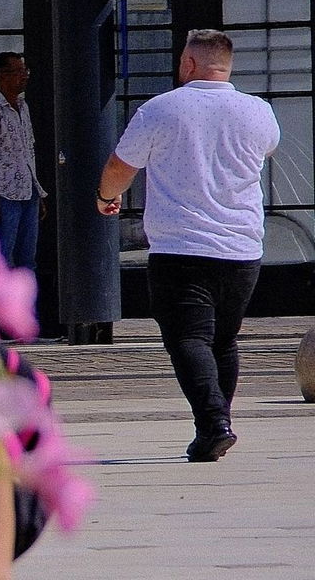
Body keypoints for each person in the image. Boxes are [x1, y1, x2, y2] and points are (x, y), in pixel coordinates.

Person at [97, 29, 280, 462]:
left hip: (181, 246)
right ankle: (217, 424)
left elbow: (120, 165)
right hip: (242, 247)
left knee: (187, 338)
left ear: (190, 64)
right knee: (223, 339)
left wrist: (107, 198)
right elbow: (268, 150)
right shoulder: (259, 112)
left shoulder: (160, 109)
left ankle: (214, 423)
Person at [0, 52, 43, 271]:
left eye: (25, 71)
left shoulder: (23, 107)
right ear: (2, 76)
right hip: (4, 196)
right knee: (0, 260)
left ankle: (25, 305)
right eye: (18, 71)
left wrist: (37, 192)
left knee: (27, 260)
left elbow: (27, 151)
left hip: (27, 192)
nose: (24, 76)